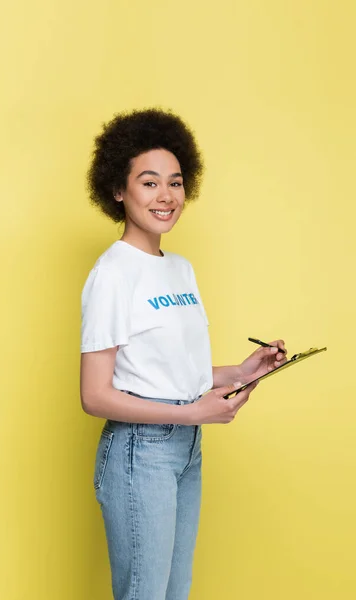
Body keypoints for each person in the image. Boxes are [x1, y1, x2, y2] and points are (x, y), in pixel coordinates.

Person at [80, 108, 287, 600]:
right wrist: (195, 411)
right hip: (140, 452)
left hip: (186, 448)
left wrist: (239, 370)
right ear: (117, 189)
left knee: (175, 592)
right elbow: (94, 394)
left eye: (175, 182)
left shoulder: (181, 270)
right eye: (149, 183)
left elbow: (166, 371)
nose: (166, 196)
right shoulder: (113, 274)